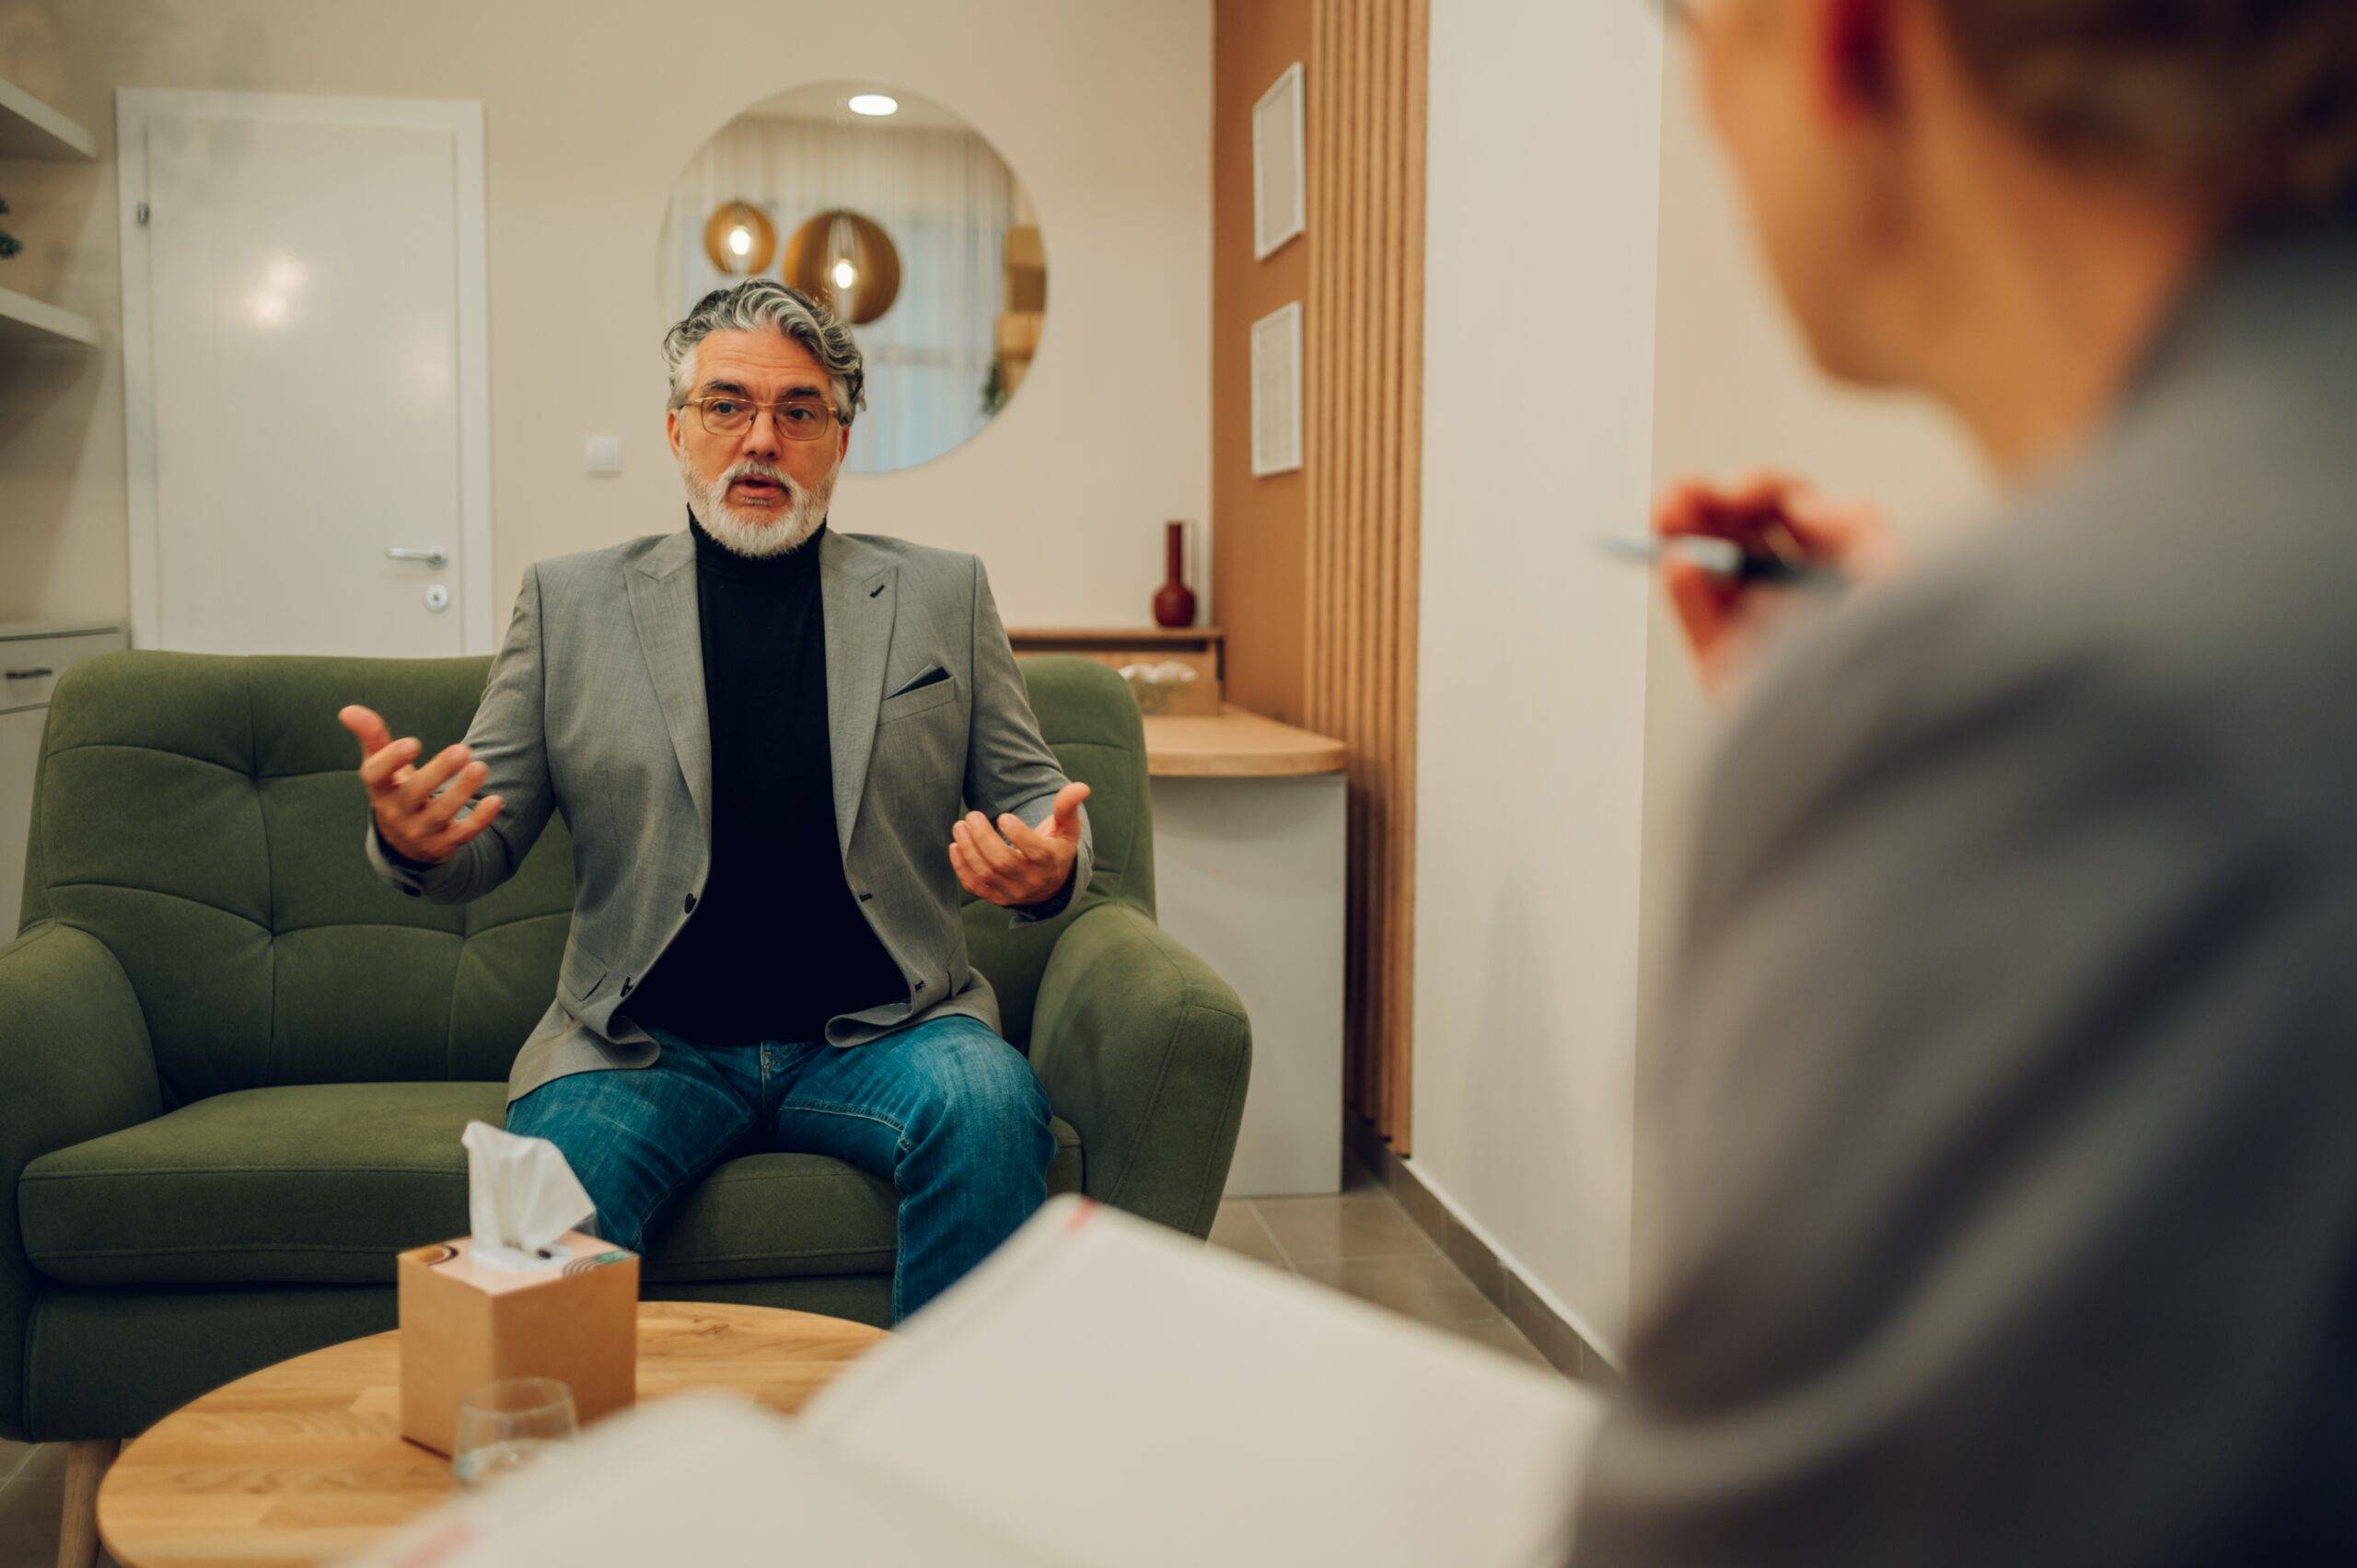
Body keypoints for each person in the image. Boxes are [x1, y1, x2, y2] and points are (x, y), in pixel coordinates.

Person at [1575, 0, 2357, 1561]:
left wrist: (1936, 754)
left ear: (1847, 41)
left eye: (1695, 40)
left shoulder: (2039, 710)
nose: (1710, 126)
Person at [339, 280, 1093, 1322]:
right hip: (644, 1042)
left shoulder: (941, 593)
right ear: (676, 428)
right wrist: (411, 837)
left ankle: (939, 1460)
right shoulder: (571, 600)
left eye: (799, 412)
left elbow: (1036, 797)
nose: (761, 439)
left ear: (838, 439)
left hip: (892, 1031)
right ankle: (561, 1482)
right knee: (537, 1219)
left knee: (991, 1103)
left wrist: (1053, 861)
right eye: (726, 405)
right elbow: (481, 837)